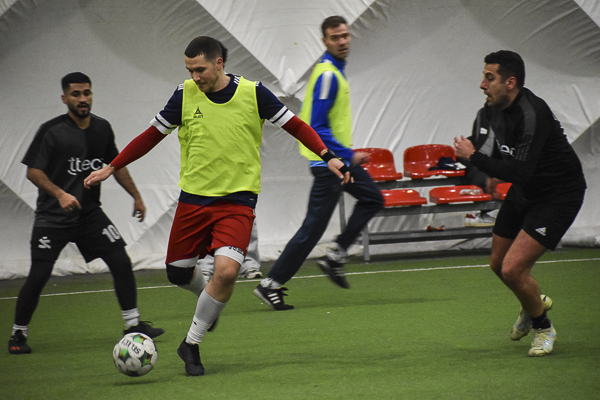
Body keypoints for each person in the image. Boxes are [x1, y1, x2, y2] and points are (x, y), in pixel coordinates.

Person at [84, 36, 349, 376]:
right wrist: (112, 166)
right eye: (189, 70)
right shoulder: (183, 95)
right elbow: (151, 135)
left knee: (226, 272)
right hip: (193, 202)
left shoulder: (254, 93)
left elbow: (296, 126)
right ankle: (208, 299)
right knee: (177, 273)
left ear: (219, 63)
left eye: (200, 69)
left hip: (237, 202)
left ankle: (191, 344)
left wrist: (328, 156)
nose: (195, 77)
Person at [8, 72, 164, 355]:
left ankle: (133, 325)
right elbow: (33, 171)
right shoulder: (51, 130)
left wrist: (137, 196)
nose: (83, 99)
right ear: (64, 98)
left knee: (120, 260)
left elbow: (115, 165)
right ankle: (18, 334)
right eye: (76, 94)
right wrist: (60, 194)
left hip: (89, 214)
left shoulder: (102, 128)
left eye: (87, 93)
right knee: (40, 274)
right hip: (53, 216)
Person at [453, 50, 586, 357]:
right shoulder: (490, 110)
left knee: (513, 269)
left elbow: (518, 170)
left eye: (489, 78)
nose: (482, 85)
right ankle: (532, 301)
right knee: (497, 264)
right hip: (525, 190)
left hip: (558, 195)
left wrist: (474, 157)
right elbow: (493, 152)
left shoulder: (532, 114)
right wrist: (483, 166)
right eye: (483, 77)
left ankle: (543, 327)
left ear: (510, 83)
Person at [254, 16, 384, 311]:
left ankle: (335, 256)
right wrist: (348, 155)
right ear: (324, 41)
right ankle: (270, 284)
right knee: (313, 228)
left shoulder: (334, 71)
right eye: (335, 37)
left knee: (372, 199)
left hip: (337, 162)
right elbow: (318, 127)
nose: (342, 41)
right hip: (329, 164)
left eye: (345, 35)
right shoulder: (328, 76)